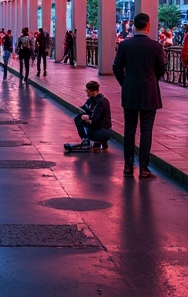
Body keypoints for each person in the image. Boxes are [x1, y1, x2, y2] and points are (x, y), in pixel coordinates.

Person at [111, 11, 166, 179]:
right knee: (146, 130)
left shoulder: (125, 45)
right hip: (149, 92)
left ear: (134, 26)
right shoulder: (156, 46)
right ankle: (143, 168)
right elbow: (162, 68)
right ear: (148, 25)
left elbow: (116, 67)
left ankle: (128, 166)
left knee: (129, 129)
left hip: (130, 91)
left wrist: (125, 82)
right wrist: (152, 79)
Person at [66, 79, 113, 151]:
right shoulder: (91, 99)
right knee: (78, 118)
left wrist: (87, 117)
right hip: (98, 128)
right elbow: (84, 108)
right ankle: (88, 140)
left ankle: (89, 140)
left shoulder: (102, 102)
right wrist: (81, 111)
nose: (87, 93)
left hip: (103, 130)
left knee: (81, 119)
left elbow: (94, 119)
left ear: (93, 91)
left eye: (88, 91)